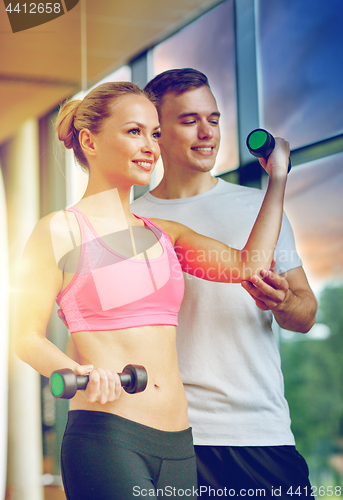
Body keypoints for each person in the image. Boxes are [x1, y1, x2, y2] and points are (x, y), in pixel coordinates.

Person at [14, 81, 289, 500]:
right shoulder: (58, 231)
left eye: (155, 134)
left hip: (179, 443)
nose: (150, 146)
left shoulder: (165, 235)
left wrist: (278, 180)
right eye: (134, 132)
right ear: (89, 140)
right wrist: (76, 371)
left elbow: (248, 266)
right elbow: (23, 336)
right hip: (108, 437)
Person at [131, 68, 317, 498]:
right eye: (188, 120)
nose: (207, 133)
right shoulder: (134, 223)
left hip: (262, 432)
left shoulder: (260, 209)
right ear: (155, 133)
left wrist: (284, 302)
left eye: (213, 119)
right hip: (174, 435)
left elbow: (305, 314)